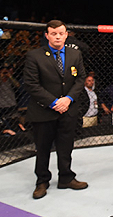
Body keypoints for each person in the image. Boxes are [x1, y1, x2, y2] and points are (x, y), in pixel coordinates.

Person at [23, 20, 88, 200]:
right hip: (44, 110)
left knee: (66, 146)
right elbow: (31, 84)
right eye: (54, 33)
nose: (58, 36)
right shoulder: (34, 56)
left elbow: (80, 79)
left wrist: (68, 99)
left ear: (66, 34)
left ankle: (66, 177)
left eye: (61, 33)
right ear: (47, 35)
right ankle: (42, 181)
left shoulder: (75, 54)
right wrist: (53, 102)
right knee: (43, 148)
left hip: (68, 109)